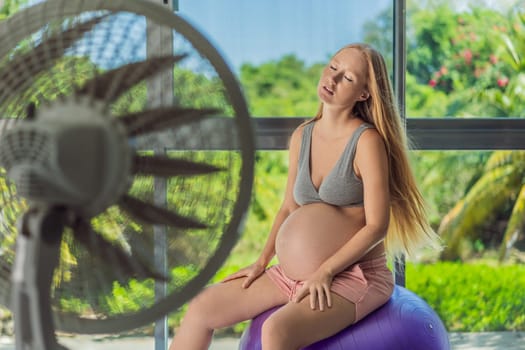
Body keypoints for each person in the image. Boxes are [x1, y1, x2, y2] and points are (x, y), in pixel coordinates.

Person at [168, 43, 441, 350]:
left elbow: (377, 226)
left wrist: (325, 271)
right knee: (202, 306)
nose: (333, 79)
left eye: (348, 78)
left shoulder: (367, 142)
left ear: (364, 94)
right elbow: (289, 207)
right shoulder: (303, 135)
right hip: (291, 275)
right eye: (333, 67)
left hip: (354, 278)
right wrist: (261, 261)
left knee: (276, 332)